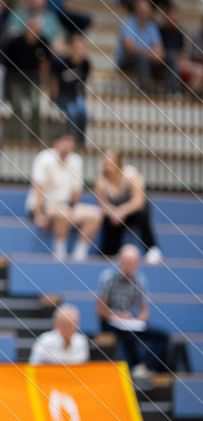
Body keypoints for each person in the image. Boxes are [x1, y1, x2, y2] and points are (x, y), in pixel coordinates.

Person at [25, 133, 102, 262]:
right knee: (63, 213)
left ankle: (79, 254)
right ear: (56, 144)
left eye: (70, 142)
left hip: (64, 206)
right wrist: (38, 214)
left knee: (95, 215)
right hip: (44, 206)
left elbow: (76, 191)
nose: (67, 145)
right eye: (64, 141)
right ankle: (59, 253)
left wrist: (72, 207)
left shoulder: (76, 161)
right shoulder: (44, 159)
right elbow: (39, 188)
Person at [97, 245, 169, 378]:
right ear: (120, 261)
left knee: (162, 336)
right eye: (127, 263)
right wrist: (117, 316)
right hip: (110, 321)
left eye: (133, 263)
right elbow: (101, 310)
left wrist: (139, 321)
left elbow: (144, 311)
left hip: (129, 321)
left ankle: (146, 366)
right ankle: (136, 365)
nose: (130, 266)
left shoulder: (140, 280)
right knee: (129, 333)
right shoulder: (108, 278)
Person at [94, 149, 162, 263]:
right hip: (116, 215)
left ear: (118, 162)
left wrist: (122, 211)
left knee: (143, 212)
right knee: (107, 220)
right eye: (105, 162)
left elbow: (139, 201)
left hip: (132, 211)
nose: (107, 164)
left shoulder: (131, 174)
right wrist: (113, 213)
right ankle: (109, 253)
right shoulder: (100, 180)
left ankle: (152, 249)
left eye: (110, 161)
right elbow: (103, 205)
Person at [49, 34, 91, 145]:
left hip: (77, 95)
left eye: (81, 47)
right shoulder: (60, 63)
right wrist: (53, 100)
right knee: (72, 112)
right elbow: (54, 83)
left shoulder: (86, 64)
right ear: (71, 48)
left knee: (81, 111)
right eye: (76, 47)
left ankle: (81, 142)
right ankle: (69, 141)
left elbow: (82, 84)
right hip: (63, 96)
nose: (79, 50)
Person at [117, 0, 164, 93]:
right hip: (127, 60)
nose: (144, 14)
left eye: (146, 11)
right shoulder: (128, 24)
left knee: (170, 58)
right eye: (142, 11)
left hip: (147, 59)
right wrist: (149, 53)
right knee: (143, 58)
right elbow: (129, 47)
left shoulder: (152, 27)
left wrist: (157, 54)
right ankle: (144, 91)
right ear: (136, 10)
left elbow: (158, 48)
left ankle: (173, 91)